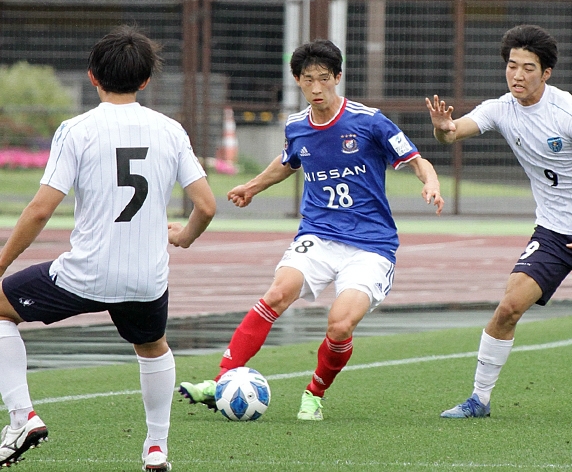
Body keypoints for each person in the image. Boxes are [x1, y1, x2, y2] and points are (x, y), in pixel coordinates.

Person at [179, 38, 444, 420]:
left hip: (370, 245)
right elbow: (289, 161)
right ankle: (220, 381)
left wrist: (430, 182)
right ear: (297, 81)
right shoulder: (297, 126)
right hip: (318, 235)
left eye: (324, 78)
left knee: (339, 325)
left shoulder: (369, 121)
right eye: (308, 80)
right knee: (276, 294)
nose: (317, 88)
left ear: (338, 77)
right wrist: (252, 187)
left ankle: (314, 393)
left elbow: (417, 160)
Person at [0, 25, 216, 470]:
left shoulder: (77, 129)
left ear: (92, 76)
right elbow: (207, 206)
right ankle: (157, 450)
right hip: (145, 277)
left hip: (86, 272)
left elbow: (41, 210)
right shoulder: (170, 130)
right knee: (153, 346)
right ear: (145, 81)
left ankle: (22, 417)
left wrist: (1, 261)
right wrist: (185, 236)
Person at [426, 24, 572, 419]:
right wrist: (443, 131)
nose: (517, 75)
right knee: (509, 306)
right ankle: (479, 400)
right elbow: (454, 134)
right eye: (511, 66)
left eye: (528, 68)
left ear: (546, 73)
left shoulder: (567, 112)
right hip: (553, 232)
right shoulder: (500, 108)